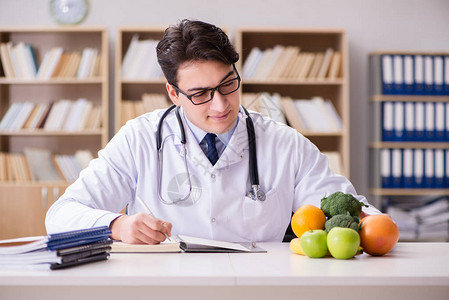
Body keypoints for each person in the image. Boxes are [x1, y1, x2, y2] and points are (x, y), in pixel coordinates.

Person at [45, 19, 380, 244]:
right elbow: (60, 215)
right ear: (173, 94)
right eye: (201, 94)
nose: (220, 105)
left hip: (258, 289)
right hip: (167, 287)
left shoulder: (284, 143)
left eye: (228, 85)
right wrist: (116, 225)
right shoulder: (140, 139)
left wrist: (375, 224)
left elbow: (345, 208)